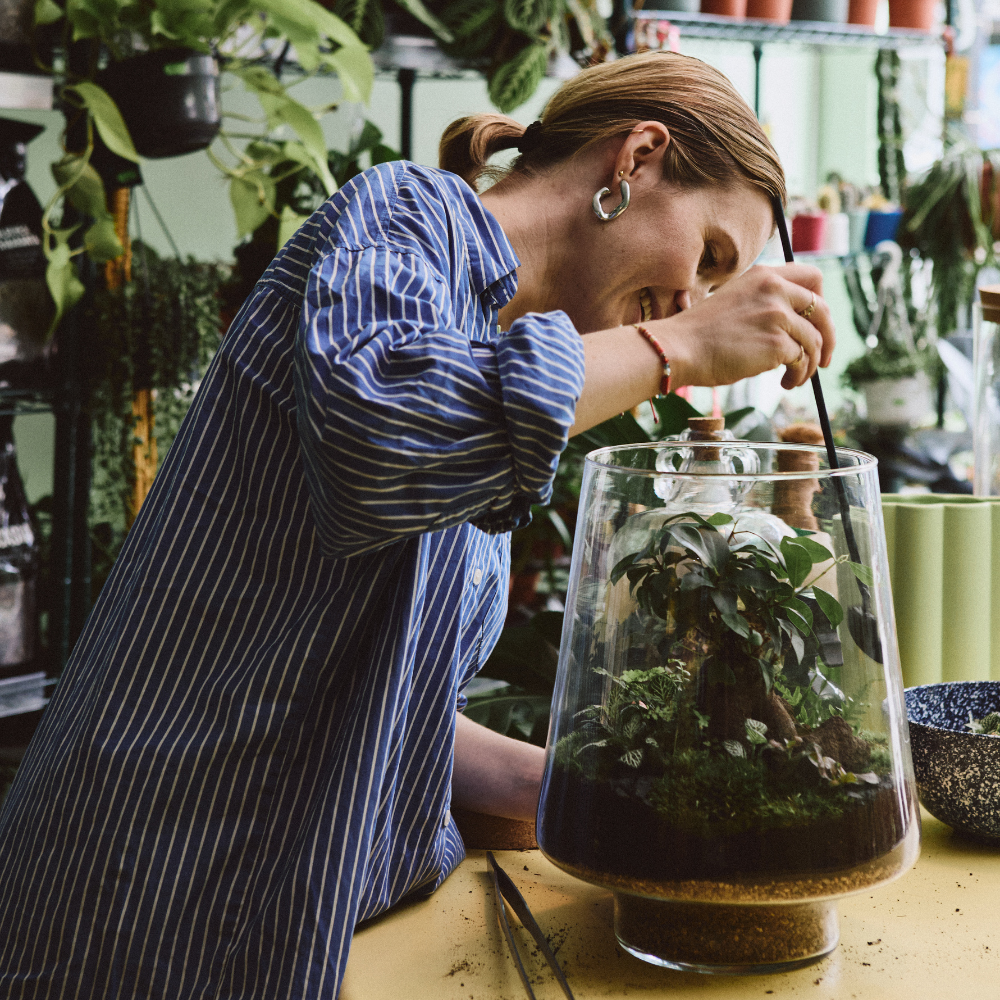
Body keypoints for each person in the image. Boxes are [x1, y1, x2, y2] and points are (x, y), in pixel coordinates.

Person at [0, 51, 833, 999]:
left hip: (279, 914)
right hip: (138, 894)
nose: (697, 298)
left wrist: (576, 789)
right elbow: (381, 439)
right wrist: (676, 348)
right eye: (711, 257)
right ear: (636, 158)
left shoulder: (504, 356)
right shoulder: (404, 219)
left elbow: (377, 689)